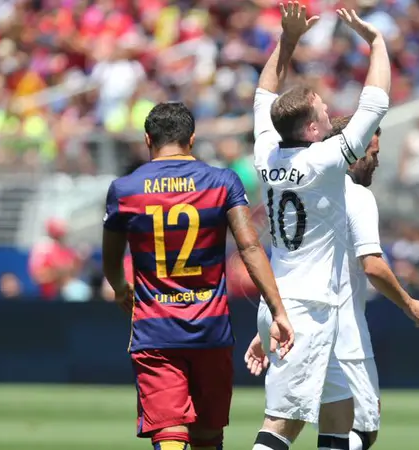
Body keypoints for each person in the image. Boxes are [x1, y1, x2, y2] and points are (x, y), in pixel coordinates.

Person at [102, 102, 294, 450]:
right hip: (211, 328)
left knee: (169, 430)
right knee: (207, 436)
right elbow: (250, 248)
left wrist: (119, 288)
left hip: (155, 329)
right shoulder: (223, 182)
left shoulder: (125, 190)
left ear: (148, 139)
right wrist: (278, 310)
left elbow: (111, 255)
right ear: (191, 139)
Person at [250, 3, 391, 450]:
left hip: (296, 303)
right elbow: (376, 102)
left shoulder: (267, 152)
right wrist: (377, 43)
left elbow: (263, 96)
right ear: (312, 128)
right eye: (321, 107)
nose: (329, 107)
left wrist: (287, 42)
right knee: (282, 424)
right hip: (303, 311)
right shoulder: (325, 160)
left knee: (339, 415)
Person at [245, 115, 419, 450]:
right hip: (342, 335)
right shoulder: (355, 196)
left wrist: (268, 325)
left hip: (301, 318)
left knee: (309, 424)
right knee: (336, 427)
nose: (375, 160)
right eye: (371, 152)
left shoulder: (305, 188)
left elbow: (289, 262)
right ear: (355, 149)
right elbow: (373, 266)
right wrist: (409, 302)